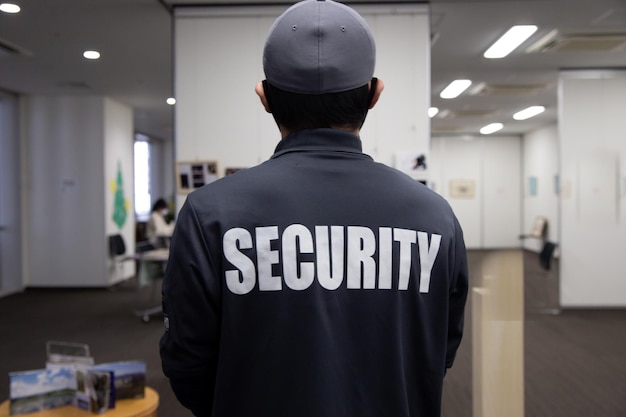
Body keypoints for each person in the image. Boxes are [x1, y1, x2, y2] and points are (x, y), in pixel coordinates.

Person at [160, 1, 469, 416]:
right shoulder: (435, 217)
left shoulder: (209, 213)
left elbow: (188, 365)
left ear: (265, 97)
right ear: (374, 94)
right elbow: (438, 352)